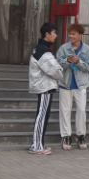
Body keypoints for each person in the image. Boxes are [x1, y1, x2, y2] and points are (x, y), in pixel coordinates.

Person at [56, 23, 89, 151]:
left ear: (80, 35)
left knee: (81, 110)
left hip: (81, 85)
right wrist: (67, 61)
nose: (71, 36)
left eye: (73, 34)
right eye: (70, 34)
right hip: (65, 83)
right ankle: (66, 136)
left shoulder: (87, 50)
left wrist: (79, 62)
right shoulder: (63, 49)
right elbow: (57, 66)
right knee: (65, 110)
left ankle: (81, 135)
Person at [29, 23, 63, 156]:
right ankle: (37, 146)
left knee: (43, 115)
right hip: (44, 87)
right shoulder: (43, 50)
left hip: (44, 86)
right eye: (54, 33)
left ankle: (39, 144)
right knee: (42, 116)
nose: (56, 36)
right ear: (47, 34)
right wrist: (60, 73)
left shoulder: (41, 49)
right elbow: (54, 70)